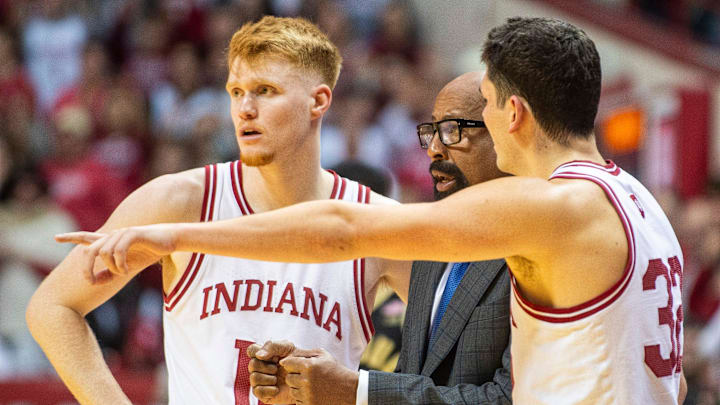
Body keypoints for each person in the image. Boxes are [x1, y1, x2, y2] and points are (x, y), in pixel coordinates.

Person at [55, 17, 687, 404]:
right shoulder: (642, 207)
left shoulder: (552, 203)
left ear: (513, 114)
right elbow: (675, 384)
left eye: (485, 106)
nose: (476, 126)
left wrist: (172, 236)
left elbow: (345, 226)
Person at [26, 16, 410, 405]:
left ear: (319, 100)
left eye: (265, 90)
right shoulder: (180, 200)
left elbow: (455, 347)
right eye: (236, 91)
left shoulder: (374, 221)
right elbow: (51, 307)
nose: (245, 108)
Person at [249, 72, 512, 405]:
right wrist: (310, 382)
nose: (433, 149)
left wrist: (354, 391)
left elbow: (508, 398)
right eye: (431, 131)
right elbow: (414, 383)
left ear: (505, 133)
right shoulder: (431, 248)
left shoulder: (533, 248)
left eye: (451, 130)